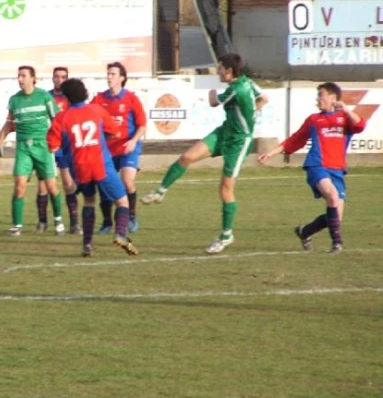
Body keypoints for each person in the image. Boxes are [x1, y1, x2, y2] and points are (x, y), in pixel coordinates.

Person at [141, 53, 269, 255]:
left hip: (239, 141)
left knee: (226, 187)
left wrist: (211, 93)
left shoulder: (236, 89)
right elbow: (264, 98)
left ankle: (226, 235)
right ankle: (160, 191)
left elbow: (213, 101)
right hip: (225, 132)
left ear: (228, 71)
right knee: (187, 157)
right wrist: (255, 110)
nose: (217, 71)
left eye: (220, 68)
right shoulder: (247, 83)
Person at [257, 82, 365, 253]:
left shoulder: (345, 119)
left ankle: (305, 231)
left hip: (337, 169)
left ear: (332, 97)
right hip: (317, 165)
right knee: (332, 195)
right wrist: (271, 153)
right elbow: (294, 140)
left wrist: (345, 109)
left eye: (321, 94)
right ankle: (337, 243)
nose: (318, 98)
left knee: (336, 215)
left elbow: (360, 125)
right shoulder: (314, 120)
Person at [47, 78, 138, 257]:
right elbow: (113, 132)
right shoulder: (97, 110)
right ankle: (121, 234)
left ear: (67, 98)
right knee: (122, 201)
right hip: (100, 164)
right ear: (84, 92)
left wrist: (69, 147)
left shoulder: (62, 118)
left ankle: (87, 244)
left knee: (89, 201)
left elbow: (52, 145)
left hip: (79, 168)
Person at [0, 65, 64, 236]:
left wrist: (57, 140)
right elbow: (9, 124)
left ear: (33, 78)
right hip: (24, 147)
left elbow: (59, 119)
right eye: (19, 76)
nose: (20, 79)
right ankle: (17, 226)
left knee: (52, 186)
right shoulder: (14, 100)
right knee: (19, 186)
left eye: (23, 76)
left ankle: (58, 221)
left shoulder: (44, 97)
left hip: (42, 146)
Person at [91, 62, 147, 234]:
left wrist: (133, 141)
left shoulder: (131, 98)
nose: (109, 77)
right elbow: (89, 117)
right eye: (108, 74)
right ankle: (107, 221)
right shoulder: (99, 99)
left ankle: (131, 216)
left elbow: (142, 125)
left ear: (122, 78)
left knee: (127, 181)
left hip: (128, 147)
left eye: (113, 74)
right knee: (104, 185)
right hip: (107, 150)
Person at [34, 67, 81, 234]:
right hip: (47, 144)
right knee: (43, 185)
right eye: (57, 77)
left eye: (63, 77)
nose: (60, 80)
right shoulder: (45, 97)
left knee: (68, 184)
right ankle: (42, 222)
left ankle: (74, 223)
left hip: (64, 146)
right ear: (52, 79)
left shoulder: (71, 99)